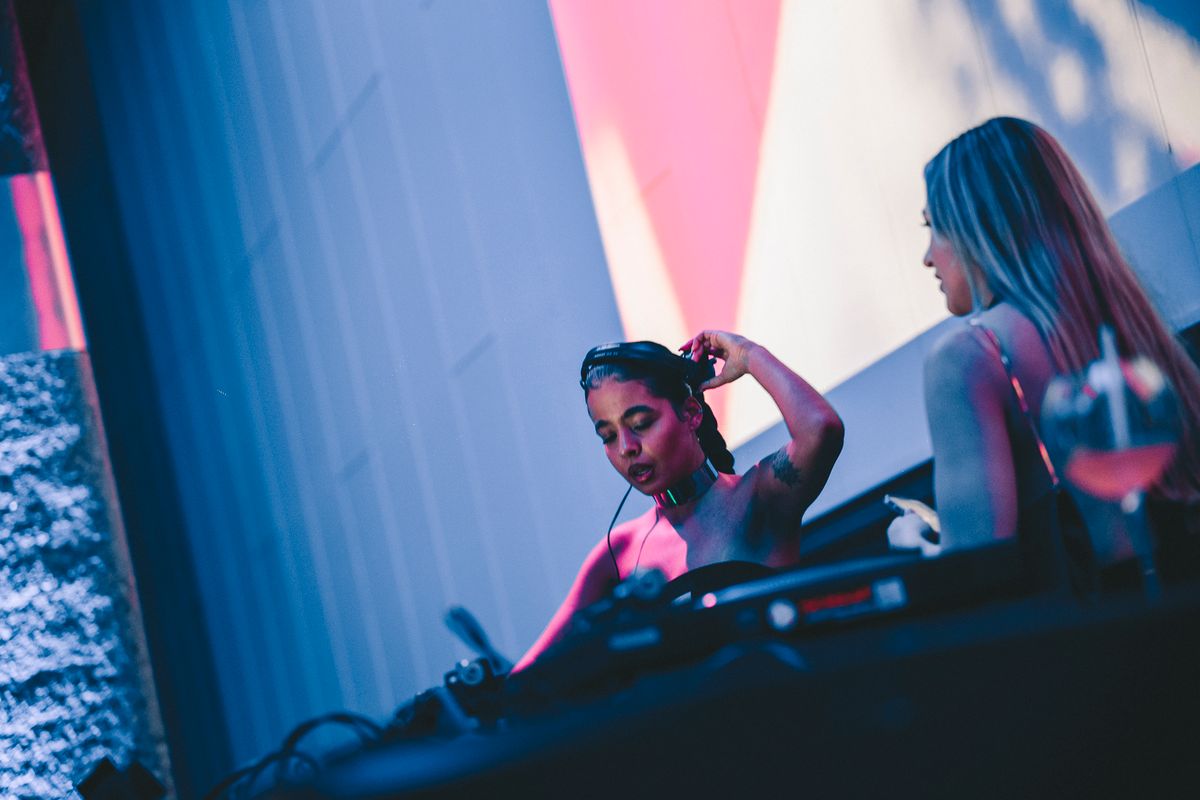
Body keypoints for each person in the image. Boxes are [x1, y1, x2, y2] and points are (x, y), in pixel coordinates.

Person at [889, 117, 1200, 582]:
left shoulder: (969, 357)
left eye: (934, 227)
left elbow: (977, 575)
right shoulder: (1127, 322)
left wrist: (914, 542)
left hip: (1109, 623)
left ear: (979, 228)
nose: (927, 257)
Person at [512, 332, 843, 671]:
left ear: (691, 413)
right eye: (608, 436)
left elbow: (821, 428)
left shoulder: (756, 498)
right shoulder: (618, 552)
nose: (626, 447)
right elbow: (530, 674)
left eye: (640, 423)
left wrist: (748, 354)